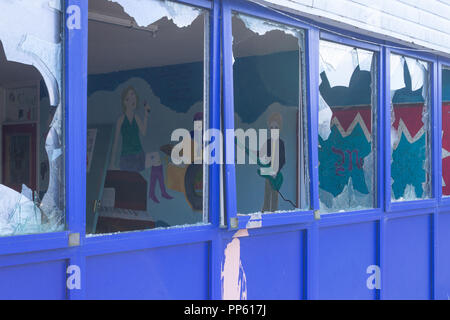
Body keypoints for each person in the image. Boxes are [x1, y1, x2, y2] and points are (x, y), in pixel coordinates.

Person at [110, 86, 150, 172]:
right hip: (126, 158)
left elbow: (143, 132)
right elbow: (115, 142)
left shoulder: (137, 117)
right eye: (129, 98)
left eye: (133, 95)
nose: (133, 99)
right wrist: (111, 164)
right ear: (125, 102)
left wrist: (146, 116)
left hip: (139, 156)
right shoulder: (120, 120)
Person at [259, 112, 285, 213]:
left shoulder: (281, 143)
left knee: (275, 195)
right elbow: (261, 153)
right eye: (272, 127)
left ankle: (273, 213)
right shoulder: (268, 142)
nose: (274, 130)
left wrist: (276, 171)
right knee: (267, 194)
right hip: (268, 172)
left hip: (276, 174)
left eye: (276, 127)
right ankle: (264, 212)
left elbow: (283, 160)